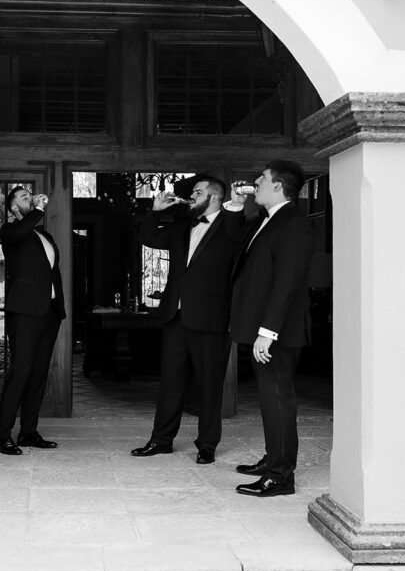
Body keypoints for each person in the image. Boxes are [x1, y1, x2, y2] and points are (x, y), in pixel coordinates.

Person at [130, 177, 244, 464]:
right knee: (170, 382)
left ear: (215, 197)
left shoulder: (231, 226)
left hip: (211, 319)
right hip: (175, 317)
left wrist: (237, 205)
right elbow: (148, 238)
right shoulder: (183, 225)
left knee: (209, 385)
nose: (192, 196)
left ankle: (207, 444)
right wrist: (155, 211)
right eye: (192, 192)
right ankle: (161, 440)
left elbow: (238, 240)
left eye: (198, 192)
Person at [228, 160, 313, 497]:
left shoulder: (293, 223)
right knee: (269, 398)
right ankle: (273, 459)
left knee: (278, 399)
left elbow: (287, 281)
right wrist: (237, 205)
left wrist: (268, 331)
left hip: (278, 331)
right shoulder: (267, 220)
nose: (255, 183)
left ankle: (280, 476)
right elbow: (233, 244)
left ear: (278, 185)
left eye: (261, 179)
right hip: (265, 328)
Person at [0, 186, 65, 455]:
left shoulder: (43, 235)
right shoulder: (10, 231)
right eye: (24, 197)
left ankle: (29, 432)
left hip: (49, 312)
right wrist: (38, 208)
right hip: (24, 312)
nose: (30, 198)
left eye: (30, 195)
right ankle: (2, 435)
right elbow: (22, 231)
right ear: (13, 208)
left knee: (38, 375)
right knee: (20, 372)